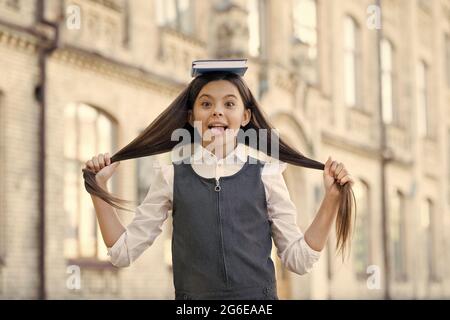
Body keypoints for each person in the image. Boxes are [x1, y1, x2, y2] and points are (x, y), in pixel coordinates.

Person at [83, 70, 355, 300]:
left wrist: (331, 199)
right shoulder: (171, 177)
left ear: (246, 116)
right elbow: (122, 252)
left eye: (229, 104)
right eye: (206, 104)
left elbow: (299, 259)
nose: (217, 112)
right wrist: (99, 189)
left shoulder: (267, 175)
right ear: (191, 117)